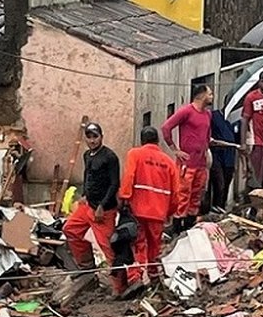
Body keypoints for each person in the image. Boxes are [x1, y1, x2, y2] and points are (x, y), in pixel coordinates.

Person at [62, 123, 122, 295]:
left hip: (104, 210)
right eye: (89, 137)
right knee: (70, 229)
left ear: (101, 136)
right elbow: (88, 176)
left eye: (95, 136)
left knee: (108, 248)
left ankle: (120, 287)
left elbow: (114, 183)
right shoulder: (87, 155)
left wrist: (102, 206)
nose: (92, 140)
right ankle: (87, 267)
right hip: (88, 205)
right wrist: (84, 194)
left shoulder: (110, 157)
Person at [118, 126, 179, 294]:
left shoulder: (135, 154)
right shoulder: (168, 162)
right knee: (154, 246)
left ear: (142, 140)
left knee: (137, 244)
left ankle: (136, 277)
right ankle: (153, 276)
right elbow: (176, 193)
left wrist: (124, 199)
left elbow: (128, 178)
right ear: (157, 142)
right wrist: (169, 212)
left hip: (137, 210)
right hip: (158, 212)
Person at [161, 84, 214, 232]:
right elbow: (166, 127)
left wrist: (206, 146)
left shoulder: (208, 114)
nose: (211, 96)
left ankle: (189, 226)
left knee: (196, 196)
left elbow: (207, 135)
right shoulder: (186, 111)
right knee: (183, 196)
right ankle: (177, 228)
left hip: (201, 164)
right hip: (187, 164)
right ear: (201, 95)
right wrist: (175, 150)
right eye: (209, 94)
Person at [208, 109, 237, 211]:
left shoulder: (237, 120)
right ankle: (214, 207)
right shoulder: (214, 115)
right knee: (219, 183)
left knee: (226, 182)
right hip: (217, 153)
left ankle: (221, 208)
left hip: (230, 155)